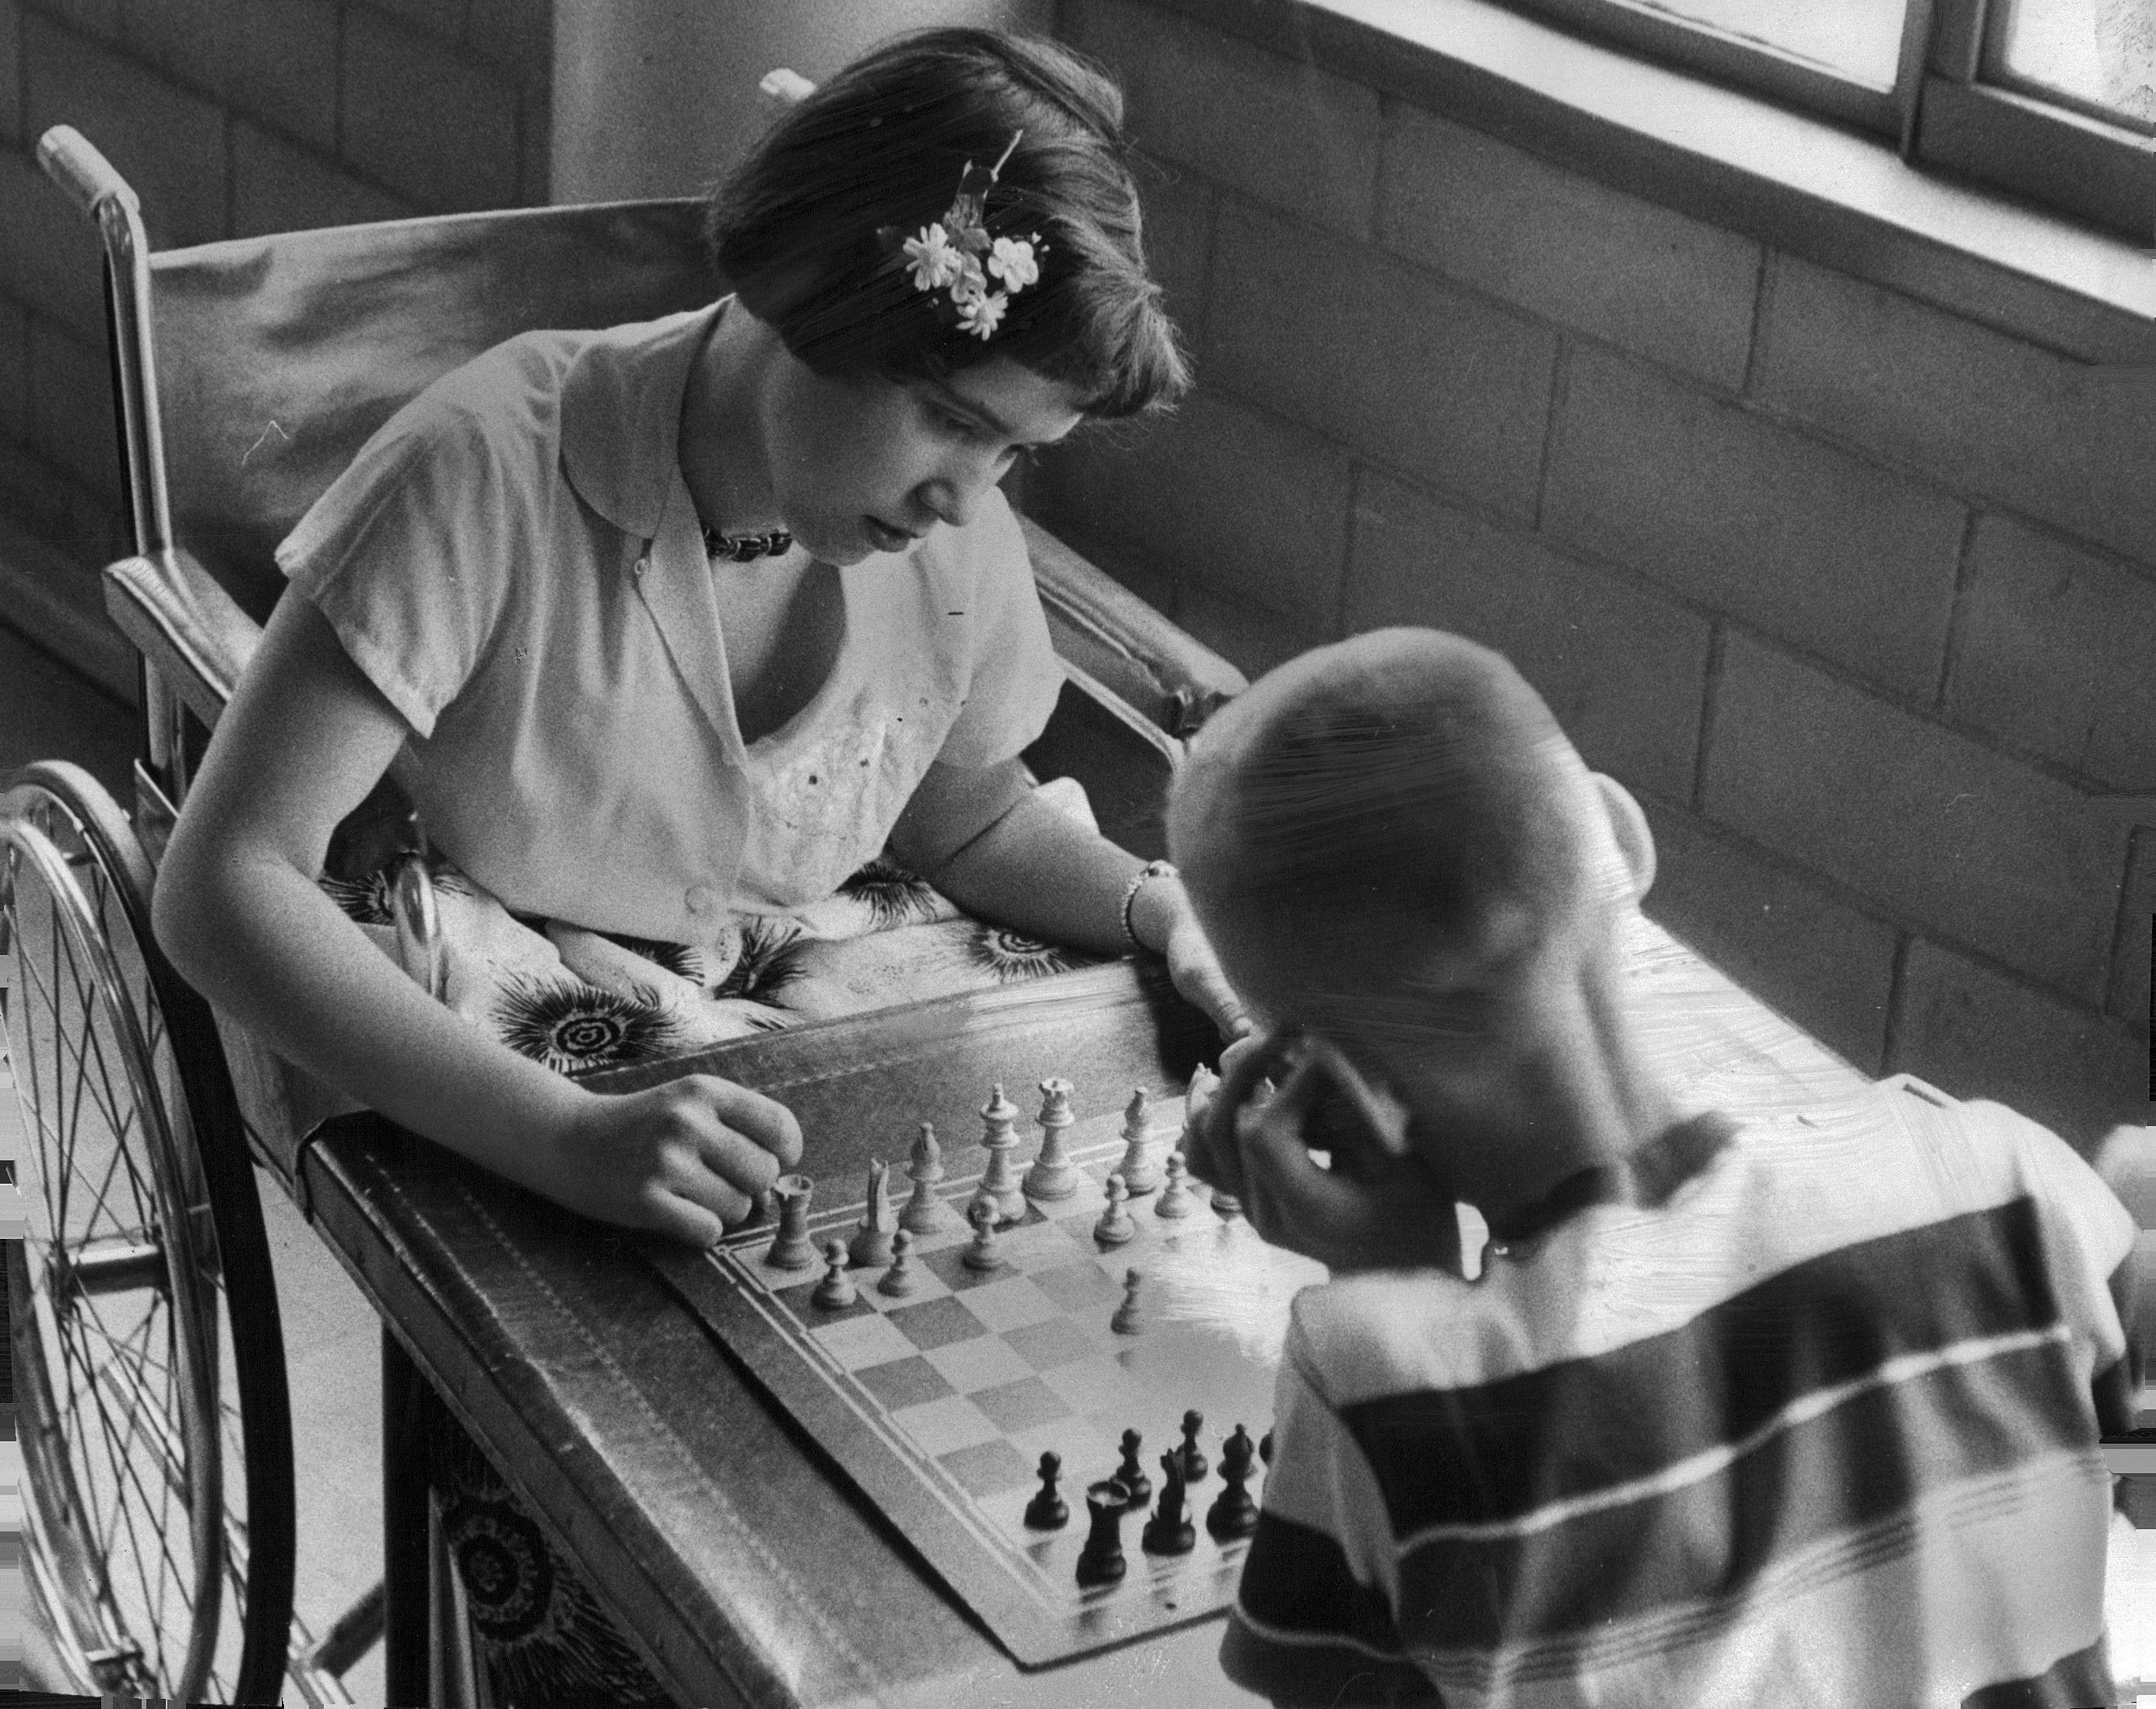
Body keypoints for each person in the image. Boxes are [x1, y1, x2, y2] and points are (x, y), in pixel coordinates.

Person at [153, 27, 1245, 1704]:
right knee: (677, 1410)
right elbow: (226, 883)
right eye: (950, 423)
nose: (969, 498)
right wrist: (570, 1144)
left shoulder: (945, 540)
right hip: (498, 946)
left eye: (1016, 455)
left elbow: (956, 819)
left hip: (778, 933)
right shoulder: (485, 463)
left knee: (1024, 1215)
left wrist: (1157, 909)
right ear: (810, 303)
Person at [1168, 627, 2140, 1708]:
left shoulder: (1369, 1378)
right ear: (1622, 840)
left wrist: (1400, 1297)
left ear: (1314, 1074)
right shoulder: (2001, 1179)